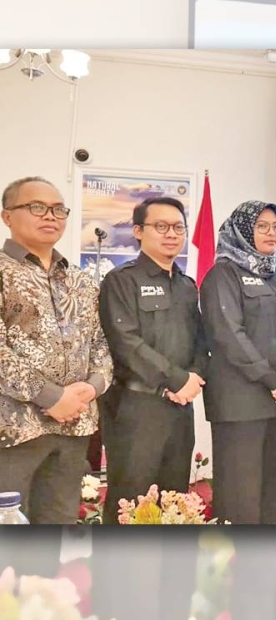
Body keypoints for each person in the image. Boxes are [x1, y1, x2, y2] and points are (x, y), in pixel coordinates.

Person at [91, 197, 207, 620]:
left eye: (178, 227)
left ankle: (168, 602)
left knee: (174, 501)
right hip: (136, 409)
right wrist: (175, 379)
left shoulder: (187, 285)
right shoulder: (121, 281)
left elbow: (200, 341)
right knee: (129, 501)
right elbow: (126, 342)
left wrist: (193, 378)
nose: (172, 234)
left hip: (179, 410)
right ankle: (117, 602)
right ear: (138, 231)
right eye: (161, 226)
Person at [0, 176, 112, 572]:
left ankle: (43, 600)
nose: (50, 216)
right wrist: (53, 397)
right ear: (7, 216)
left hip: (73, 430)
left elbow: (102, 345)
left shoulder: (80, 280)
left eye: (58, 209)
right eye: (37, 207)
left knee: (52, 540)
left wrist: (90, 389)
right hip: (15, 431)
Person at [200, 200, 276, 524]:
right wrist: (273, 382)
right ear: (243, 230)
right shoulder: (223, 274)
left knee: (271, 493)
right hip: (240, 402)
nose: (272, 233)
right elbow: (229, 335)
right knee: (240, 497)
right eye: (262, 226)